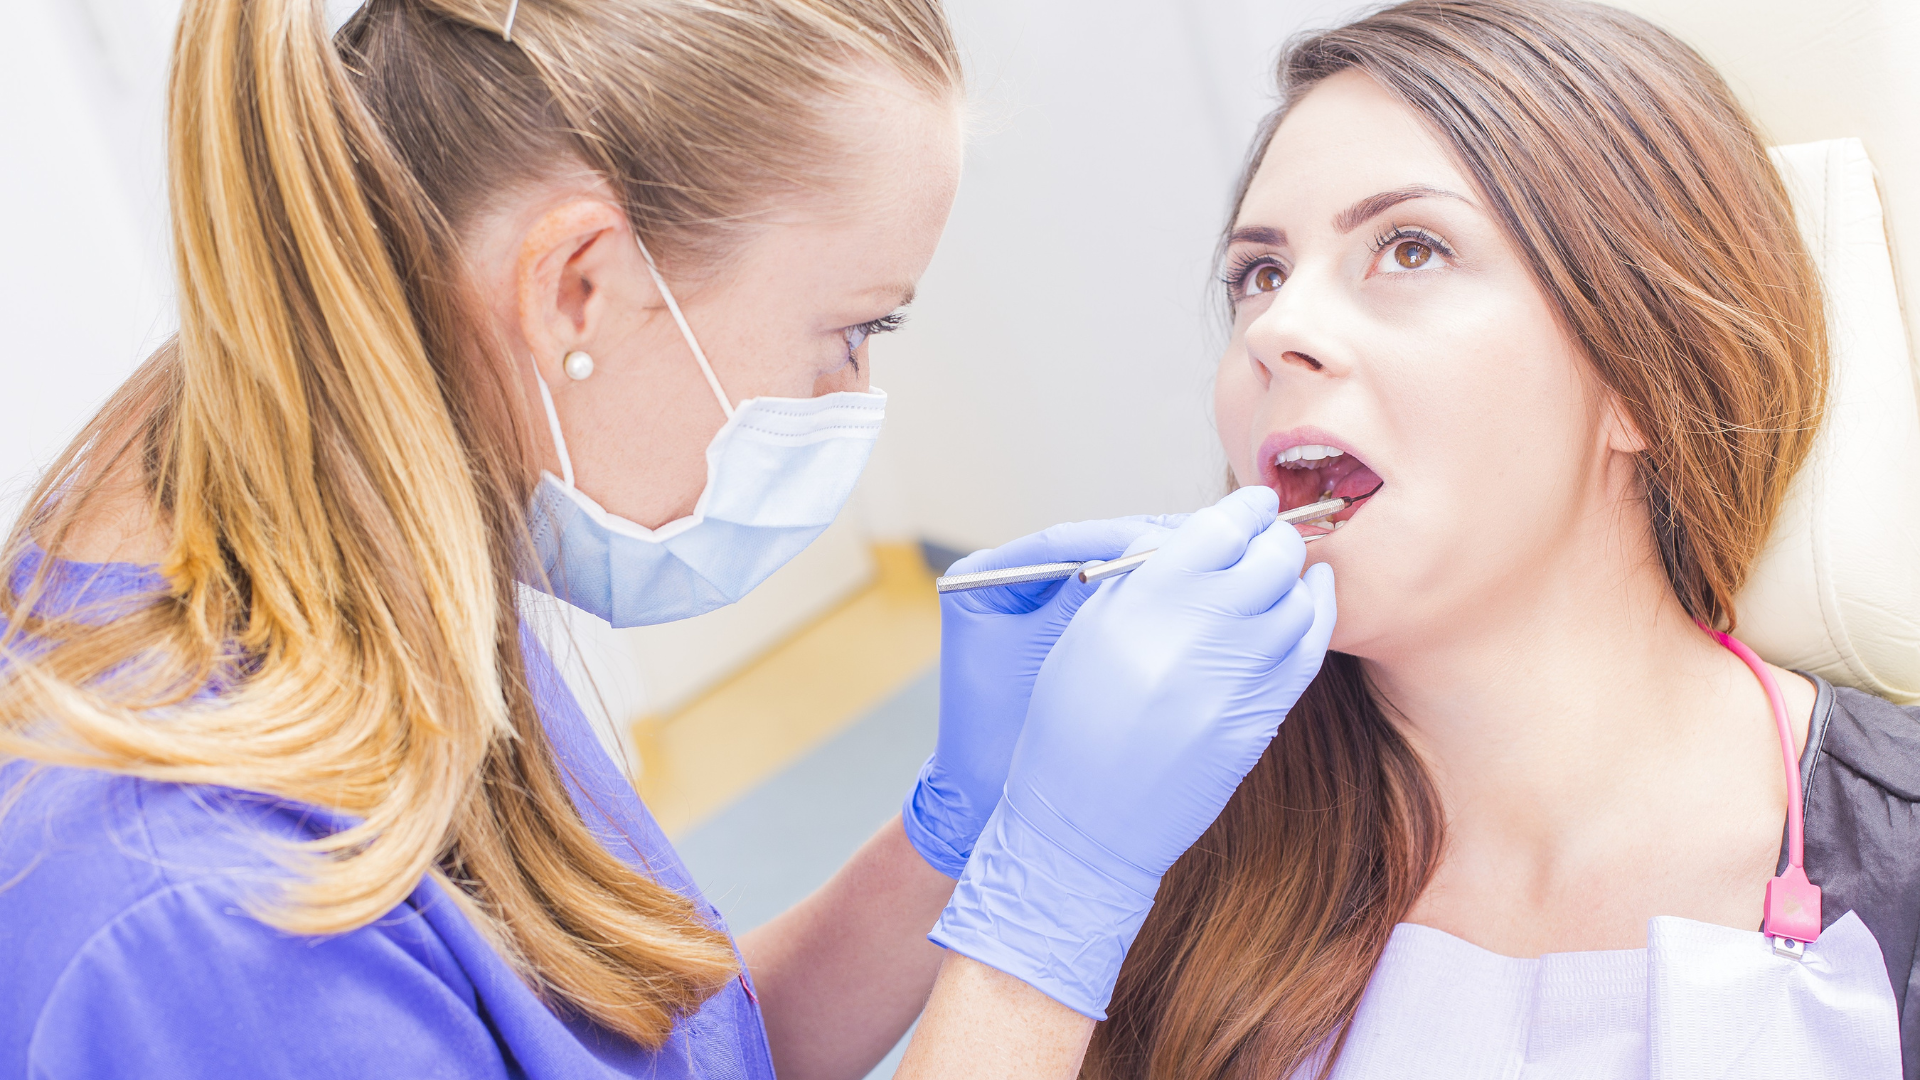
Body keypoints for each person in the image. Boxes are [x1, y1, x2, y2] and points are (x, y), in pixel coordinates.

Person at [0, 1, 1336, 1077]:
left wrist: (959, 833)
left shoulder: (376, 535)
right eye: (853, 331)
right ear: (578, 285)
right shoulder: (202, 932)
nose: (855, 401)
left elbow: (660, 1050)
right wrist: (1053, 909)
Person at [1063, 1, 1920, 1077]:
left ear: (1639, 375)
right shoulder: (1162, 837)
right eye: (1260, 274)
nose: (1276, 330)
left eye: (1409, 248)